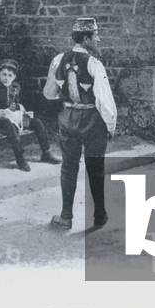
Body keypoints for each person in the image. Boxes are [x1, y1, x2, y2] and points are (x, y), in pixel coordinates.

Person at [45, 17, 117, 230]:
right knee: (95, 167)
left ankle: (66, 217)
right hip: (93, 122)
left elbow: (49, 94)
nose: (99, 39)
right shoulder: (95, 64)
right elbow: (105, 102)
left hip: (68, 120)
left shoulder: (58, 60)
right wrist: (110, 127)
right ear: (86, 38)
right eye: (96, 35)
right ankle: (99, 215)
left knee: (68, 167)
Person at [0, 58, 60, 172]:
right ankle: (20, 158)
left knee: (37, 122)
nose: (6, 78)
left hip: (13, 118)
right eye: (4, 74)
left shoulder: (15, 87)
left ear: (14, 77)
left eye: (10, 75)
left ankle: (46, 153)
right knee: (9, 124)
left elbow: (15, 104)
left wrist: (19, 108)